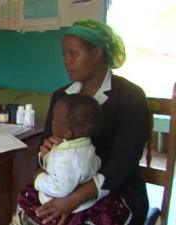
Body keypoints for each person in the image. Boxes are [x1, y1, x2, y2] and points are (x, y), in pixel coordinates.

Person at [35, 20, 150, 225]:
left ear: (96, 53)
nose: (67, 61)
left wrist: (73, 200)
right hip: (65, 186)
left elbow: (124, 162)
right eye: (64, 55)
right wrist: (45, 153)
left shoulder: (130, 96)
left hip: (117, 190)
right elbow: (45, 141)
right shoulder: (62, 96)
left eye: (73, 54)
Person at [12, 94, 130, 225]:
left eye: (54, 120)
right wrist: (45, 156)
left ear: (68, 132)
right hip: (87, 197)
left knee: (28, 201)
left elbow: (60, 188)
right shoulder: (87, 146)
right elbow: (97, 163)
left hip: (64, 205)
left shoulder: (67, 156)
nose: (51, 122)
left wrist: (38, 178)